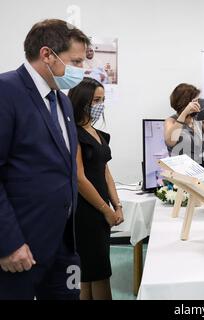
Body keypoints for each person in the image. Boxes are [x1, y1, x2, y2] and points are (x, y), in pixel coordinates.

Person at [0, 19, 90, 299]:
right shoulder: (6, 91)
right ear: (47, 54)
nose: (80, 70)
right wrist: (8, 243)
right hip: (22, 246)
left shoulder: (61, 100)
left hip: (64, 243)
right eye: (75, 61)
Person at [68, 78, 124, 300]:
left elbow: (105, 173)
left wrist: (117, 205)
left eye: (102, 100)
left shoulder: (98, 133)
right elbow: (79, 178)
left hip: (102, 210)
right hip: (85, 211)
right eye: (96, 100)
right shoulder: (74, 133)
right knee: (94, 272)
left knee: (96, 271)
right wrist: (105, 209)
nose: (100, 105)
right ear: (82, 101)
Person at [164, 83, 204, 172]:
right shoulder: (171, 121)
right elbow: (170, 141)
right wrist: (185, 112)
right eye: (196, 101)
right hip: (181, 171)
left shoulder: (199, 120)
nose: (198, 103)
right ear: (185, 102)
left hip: (201, 169)